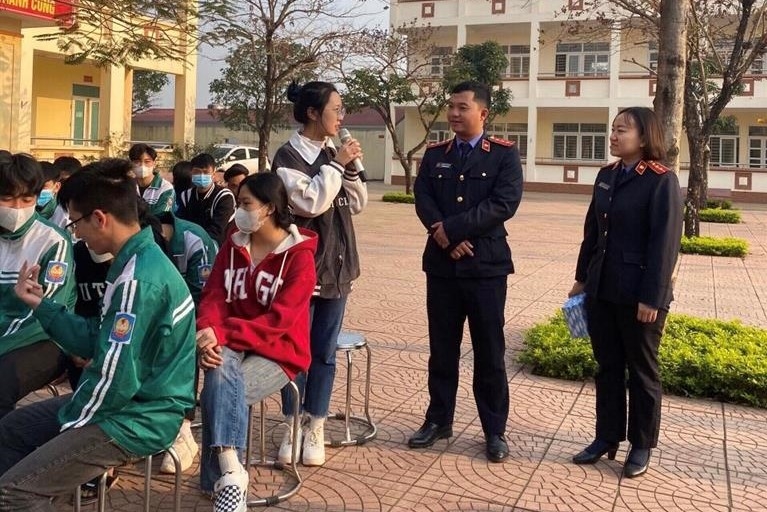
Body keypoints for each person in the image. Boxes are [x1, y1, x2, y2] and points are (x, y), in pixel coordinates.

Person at [0, 159, 196, 510]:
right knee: (12, 430)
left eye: (75, 222)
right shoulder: (131, 260)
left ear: (100, 218)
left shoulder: (138, 279)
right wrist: (42, 305)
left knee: (14, 492)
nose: (75, 234)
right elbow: (96, 338)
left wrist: (71, 423)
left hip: (138, 417)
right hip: (125, 405)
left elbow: (115, 377)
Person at [409, 81, 524, 463]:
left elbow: (504, 203)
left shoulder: (504, 155)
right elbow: (423, 197)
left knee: (490, 352)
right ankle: (438, 420)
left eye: (462, 107)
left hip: (485, 267)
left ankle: (494, 430)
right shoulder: (435, 154)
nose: (454, 114)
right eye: (451, 107)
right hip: (443, 268)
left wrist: (453, 231)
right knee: (442, 350)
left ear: (483, 113)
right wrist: (444, 238)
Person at [569, 106, 683, 478]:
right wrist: (582, 279)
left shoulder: (661, 180)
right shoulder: (606, 175)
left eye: (622, 130)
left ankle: (641, 444)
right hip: (602, 288)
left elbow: (664, 245)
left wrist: (653, 297)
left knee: (643, 371)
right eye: (613, 129)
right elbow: (592, 233)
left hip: (639, 295)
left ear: (644, 137)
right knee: (608, 367)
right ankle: (607, 436)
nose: (614, 136)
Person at [195, 172, 317, 511]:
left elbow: (280, 321)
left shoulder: (299, 257)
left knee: (218, 390)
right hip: (232, 342)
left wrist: (221, 333)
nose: (239, 211)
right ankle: (232, 475)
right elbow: (213, 295)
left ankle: (220, 478)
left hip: (280, 352)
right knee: (220, 373)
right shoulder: (234, 244)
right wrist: (208, 332)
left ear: (269, 208)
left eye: (246, 203)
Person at [273, 80, 367, 467]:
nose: (341, 117)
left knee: (324, 353)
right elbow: (310, 203)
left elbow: (357, 204)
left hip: (338, 267)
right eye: (336, 109)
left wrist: (349, 169)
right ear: (313, 113)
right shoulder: (287, 156)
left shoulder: (333, 153)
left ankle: (316, 425)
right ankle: (293, 424)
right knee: (294, 353)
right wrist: (337, 165)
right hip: (300, 270)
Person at [0, 151, 75, 421]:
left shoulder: (53, 241)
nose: (17, 208)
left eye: (26, 199)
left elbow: (46, 312)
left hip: (41, 338)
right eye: (7, 198)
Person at [156, 211, 219, 474]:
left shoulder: (194, 241)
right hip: (166, 312)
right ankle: (154, 424)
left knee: (183, 341)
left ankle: (182, 430)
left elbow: (203, 301)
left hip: (205, 314)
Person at [176, 153, 236, 246]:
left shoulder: (224, 196)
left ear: (213, 173)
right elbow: (180, 223)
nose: (201, 175)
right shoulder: (186, 196)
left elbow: (217, 230)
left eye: (206, 172)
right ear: (191, 173)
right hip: (189, 245)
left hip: (217, 246)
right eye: (197, 172)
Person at [129, 143, 175, 216]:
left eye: (147, 162)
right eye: (137, 162)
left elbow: (162, 215)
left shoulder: (165, 188)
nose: (142, 166)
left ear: (154, 163)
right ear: (131, 164)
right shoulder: (126, 186)